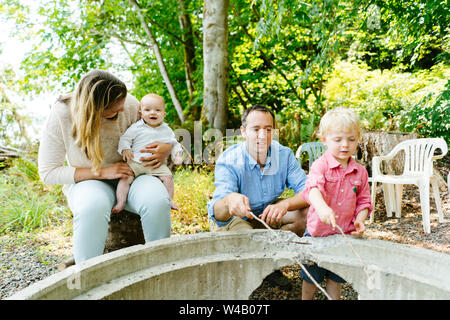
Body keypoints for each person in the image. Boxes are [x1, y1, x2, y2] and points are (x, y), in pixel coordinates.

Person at [38, 70, 173, 264]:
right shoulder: (63, 112)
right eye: (113, 109)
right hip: (90, 181)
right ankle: (86, 275)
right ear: (93, 109)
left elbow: (160, 132)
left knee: (157, 201)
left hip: (134, 176)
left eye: (123, 104)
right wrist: (102, 172)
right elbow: (48, 172)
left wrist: (165, 148)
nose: (122, 110)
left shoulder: (129, 104)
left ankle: (161, 266)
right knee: (91, 207)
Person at [299, 107, 372, 300]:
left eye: (351, 139)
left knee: (336, 279)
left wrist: (360, 220)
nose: (345, 145)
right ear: (324, 140)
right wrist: (322, 207)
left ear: (358, 139)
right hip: (317, 234)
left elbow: (364, 201)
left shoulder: (360, 172)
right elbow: (312, 189)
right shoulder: (320, 166)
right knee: (310, 279)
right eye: (338, 140)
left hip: (344, 235)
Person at [207, 104, 309, 237]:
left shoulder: (284, 154)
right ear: (243, 131)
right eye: (256, 129)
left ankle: (276, 248)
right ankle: (261, 246)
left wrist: (285, 204)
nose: (262, 136)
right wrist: (228, 201)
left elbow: (309, 190)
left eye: (268, 129)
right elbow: (218, 214)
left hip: (266, 212)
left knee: (309, 214)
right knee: (249, 240)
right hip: (236, 219)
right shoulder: (229, 159)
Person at [114, 93, 182, 213]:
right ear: (140, 113)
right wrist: (125, 148)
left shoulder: (166, 130)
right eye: (147, 110)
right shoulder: (136, 127)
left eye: (158, 110)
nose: (153, 113)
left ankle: (169, 199)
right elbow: (125, 138)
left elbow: (175, 144)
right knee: (125, 178)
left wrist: (177, 155)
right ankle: (121, 202)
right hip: (136, 163)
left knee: (168, 177)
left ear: (164, 114)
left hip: (156, 165)